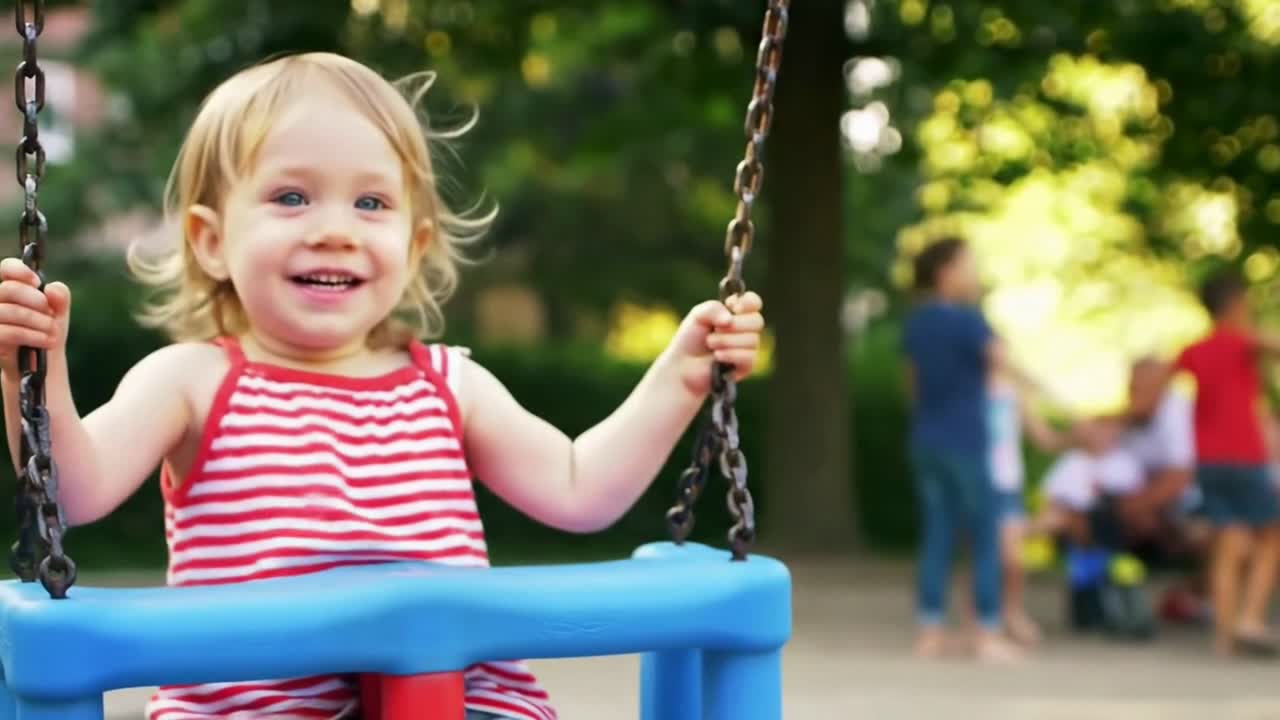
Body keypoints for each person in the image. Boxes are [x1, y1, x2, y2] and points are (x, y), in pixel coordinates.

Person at [0, 53, 766, 719]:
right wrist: (34, 375)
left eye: (371, 203)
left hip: (460, 701)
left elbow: (579, 490)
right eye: (291, 197)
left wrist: (681, 378)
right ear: (210, 239)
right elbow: (75, 493)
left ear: (414, 241)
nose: (336, 228)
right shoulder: (194, 380)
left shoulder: (450, 384)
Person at [902, 236, 1024, 663]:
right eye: (968, 264)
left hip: (927, 440)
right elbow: (1002, 363)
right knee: (984, 535)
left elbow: (913, 387)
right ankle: (986, 631)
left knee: (937, 534)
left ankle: (930, 629)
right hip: (967, 442)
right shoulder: (971, 322)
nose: (975, 273)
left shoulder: (916, 323)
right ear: (946, 271)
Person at [1170, 270, 1280, 657]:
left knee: (1228, 541)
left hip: (1208, 459)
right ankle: (1249, 618)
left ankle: (1224, 636)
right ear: (1235, 305)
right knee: (1271, 535)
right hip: (1244, 455)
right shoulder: (1243, 343)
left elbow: (1159, 386)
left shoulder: (1194, 350)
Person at [987, 372, 1065, 646]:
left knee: (1012, 558)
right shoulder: (964, 390)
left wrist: (1085, 437)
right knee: (984, 556)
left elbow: (1044, 437)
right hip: (977, 484)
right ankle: (985, 620)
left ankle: (1010, 612)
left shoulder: (1011, 392)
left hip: (1006, 484)